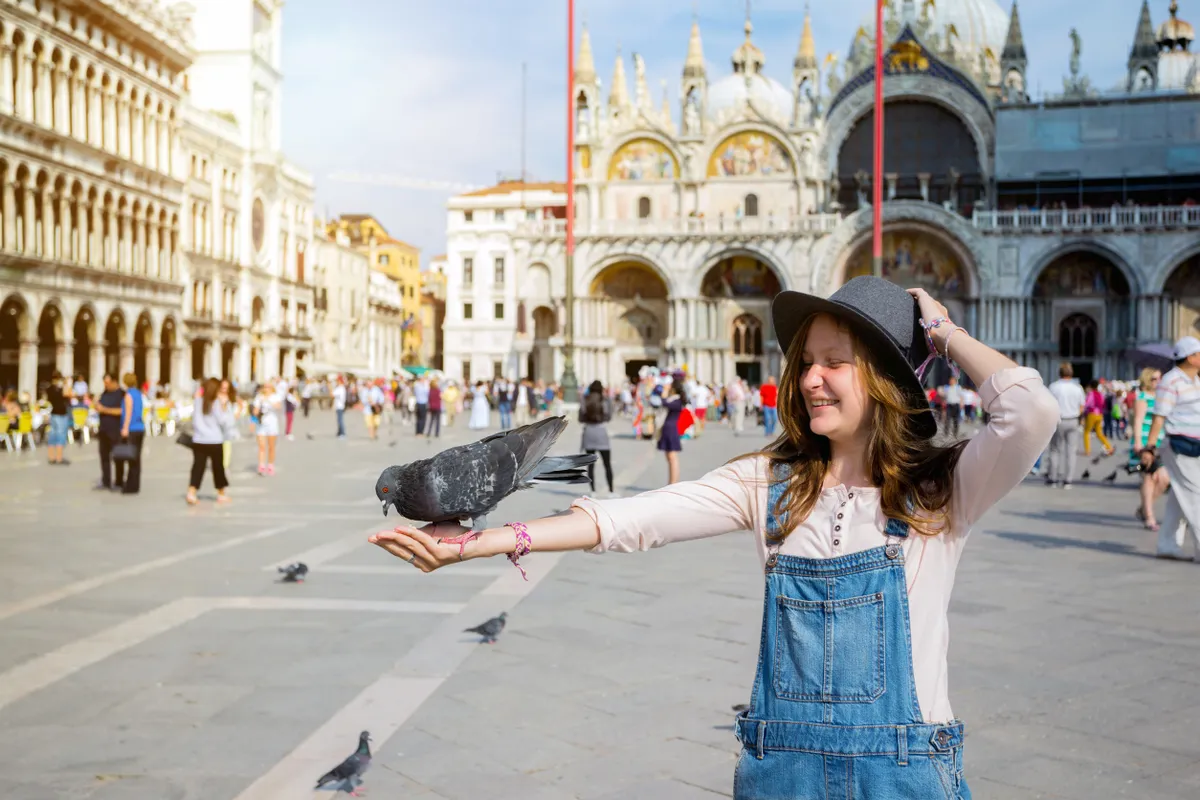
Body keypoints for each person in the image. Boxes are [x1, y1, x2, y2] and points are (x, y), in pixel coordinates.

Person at [369, 278, 1058, 798]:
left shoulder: (941, 490)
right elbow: (633, 519)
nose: (810, 377)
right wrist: (479, 542)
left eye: (835, 360)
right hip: (783, 775)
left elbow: (1030, 410)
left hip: (905, 776)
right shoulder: (773, 483)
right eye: (805, 361)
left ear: (884, 379)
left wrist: (936, 330)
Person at [1144, 336, 1200, 560]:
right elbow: (1159, 417)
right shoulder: (1171, 381)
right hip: (1179, 444)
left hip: (1195, 444)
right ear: (1190, 357)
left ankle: (1168, 544)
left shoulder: (1195, 380)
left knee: (1181, 496)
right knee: (1195, 496)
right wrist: (1149, 447)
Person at [1130, 367, 1169, 531]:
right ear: (1146, 380)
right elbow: (1138, 421)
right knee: (1149, 477)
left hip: (1162, 443)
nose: (1158, 382)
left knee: (1164, 479)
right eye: (1154, 379)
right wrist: (1139, 443)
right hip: (1147, 442)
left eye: (1160, 378)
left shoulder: (1162, 398)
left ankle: (1143, 508)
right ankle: (1149, 516)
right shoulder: (1142, 398)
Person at [187, 377, 235, 505]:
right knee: (218, 468)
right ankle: (221, 493)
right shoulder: (217, 403)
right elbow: (223, 421)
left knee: (198, 467)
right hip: (214, 439)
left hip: (199, 439)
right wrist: (224, 406)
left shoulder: (198, 401)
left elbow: (194, 420)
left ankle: (192, 492)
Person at [1046, 362, 1086, 489]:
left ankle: (1053, 478)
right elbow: (1082, 406)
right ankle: (1068, 480)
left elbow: (1048, 404)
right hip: (1072, 420)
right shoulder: (1077, 388)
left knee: (1054, 450)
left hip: (1058, 420)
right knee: (1071, 451)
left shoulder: (1053, 387)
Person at [579, 380, 614, 496]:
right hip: (601, 431)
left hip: (589, 431)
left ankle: (593, 490)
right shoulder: (605, 400)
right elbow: (608, 416)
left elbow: (581, 418)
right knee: (607, 463)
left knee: (591, 464)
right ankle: (611, 490)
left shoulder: (585, 399)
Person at [93, 373, 124, 490]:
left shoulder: (121, 394)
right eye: (104, 383)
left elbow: (122, 411)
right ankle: (106, 480)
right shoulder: (104, 393)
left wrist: (105, 410)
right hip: (104, 430)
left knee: (118, 456)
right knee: (104, 456)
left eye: (108, 383)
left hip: (116, 430)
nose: (106, 385)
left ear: (115, 382)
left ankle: (119, 481)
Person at [118, 372, 147, 494]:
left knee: (131, 458)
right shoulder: (139, 393)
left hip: (132, 429)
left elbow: (128, 413)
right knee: (137, 458)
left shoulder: (128, 395)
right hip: (140, 428)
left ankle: (130, 485)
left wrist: (125, 428)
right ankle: (135, 485)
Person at [658, 377, 687, 485]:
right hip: (668, 428)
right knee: (669, 457)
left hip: (671, 429)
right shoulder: (674, 398)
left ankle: (674, 482)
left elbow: (664, 402)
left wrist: (665, 391)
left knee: (672, 457)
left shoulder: (677, 400)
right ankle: (671, 481)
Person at [253, 383, 282, 475]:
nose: (267, 389)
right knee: (261, 446)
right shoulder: (259, 397)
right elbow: (255, 411)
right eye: (265, 387)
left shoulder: (275, 396)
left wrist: (268, 400)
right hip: (261, 423)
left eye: (269, 387)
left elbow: (278, 406)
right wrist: (257, 411)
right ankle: (261, 465)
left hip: (272, 424)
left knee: (271, 446)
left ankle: (270, 465)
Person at [45, 371, 73, 465]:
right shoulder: (60, 389)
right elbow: (68, 394)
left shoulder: (49, 389)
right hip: (61, 414)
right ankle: (59, 457)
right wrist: (67, 383)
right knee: (60, 435)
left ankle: (51, 457)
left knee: (53, 435)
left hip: (53, 414)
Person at [1082, 379, 1115, 457]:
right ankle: (1109, 446)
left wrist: (1083, 413)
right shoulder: (1100, 394)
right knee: (1099, 433)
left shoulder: (1091, 393)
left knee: (1087, 432)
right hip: (1099, 415)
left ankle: (1087, 451)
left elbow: (1087, 404)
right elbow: (1103, 404)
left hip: (1091, 414)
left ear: (1090, 386)